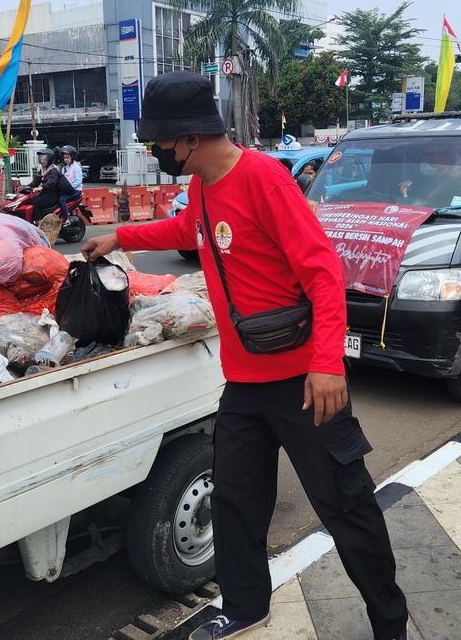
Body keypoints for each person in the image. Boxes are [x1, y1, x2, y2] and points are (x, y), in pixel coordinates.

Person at [80, 71, 409, 640]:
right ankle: (245, 607)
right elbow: (188, 228)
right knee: (235, 503)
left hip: (307, 384)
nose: (156, 151)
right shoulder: (204, 188)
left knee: (347, 508)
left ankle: (389, 622)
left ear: (187, 138)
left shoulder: (264, 179)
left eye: (158, 141)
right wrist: (122, 238)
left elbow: (325, 273)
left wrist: (328, 362)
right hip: (245, 386)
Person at [26, 148, 76, 222]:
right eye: (40, 158)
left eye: (44, 159)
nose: (42, 161)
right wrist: (25, 186)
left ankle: (38, 221)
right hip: (45, 194)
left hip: (53, 195)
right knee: (28, 200)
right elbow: (35, 182)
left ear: (49, 159)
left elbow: (51, 182)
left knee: (34, 202)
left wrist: (41, 188)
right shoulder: (43, 169)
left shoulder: (53, 170)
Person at [58, 144, 85, 218]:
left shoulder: (76, 166)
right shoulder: (65, 168)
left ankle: (66, 219)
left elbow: (79, 180)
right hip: (67, 190)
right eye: (64, 158)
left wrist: (70, 187)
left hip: (76, 191)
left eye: (67, 157)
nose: (66, 159)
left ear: (72, 157)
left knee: (62, 199)